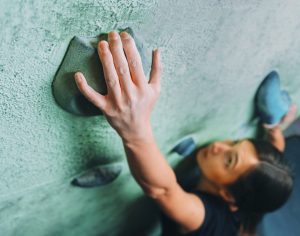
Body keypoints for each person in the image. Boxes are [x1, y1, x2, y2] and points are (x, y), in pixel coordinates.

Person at [73, 31, 295, 236]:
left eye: (229, 160)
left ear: (228, 196)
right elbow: (274, 151)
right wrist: (276, 123)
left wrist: (135, 129)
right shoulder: (256, 192)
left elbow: (162, 190)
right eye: (235, 143)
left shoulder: (206, 219)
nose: (220, 146)